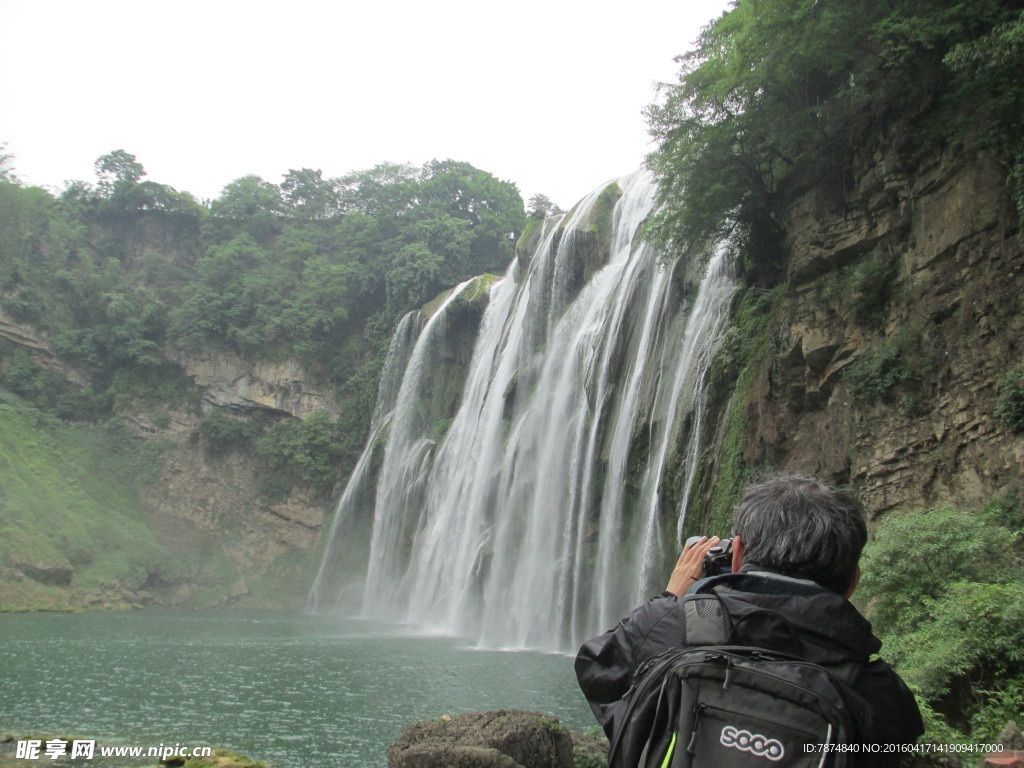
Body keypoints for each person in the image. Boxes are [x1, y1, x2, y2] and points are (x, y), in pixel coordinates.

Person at [575, 474, 923, 765]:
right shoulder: (879, 691)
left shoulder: (668, 623)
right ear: (852, 582)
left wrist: (671, 599)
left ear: (737, 554)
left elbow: (597, 671)